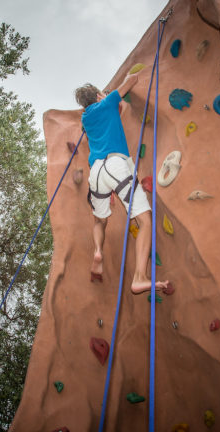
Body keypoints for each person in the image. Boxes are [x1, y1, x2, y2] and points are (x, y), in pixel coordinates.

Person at [75, 74, 169, 295]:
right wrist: (113, 91)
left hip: (97, 172)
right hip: (117, 164)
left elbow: (91, 124)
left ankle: (98, 251)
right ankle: (139, 277)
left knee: (99, 220)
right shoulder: (107, 103)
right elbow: (133, 79)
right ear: (99, 96)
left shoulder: (86, 120)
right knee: (144, 221)